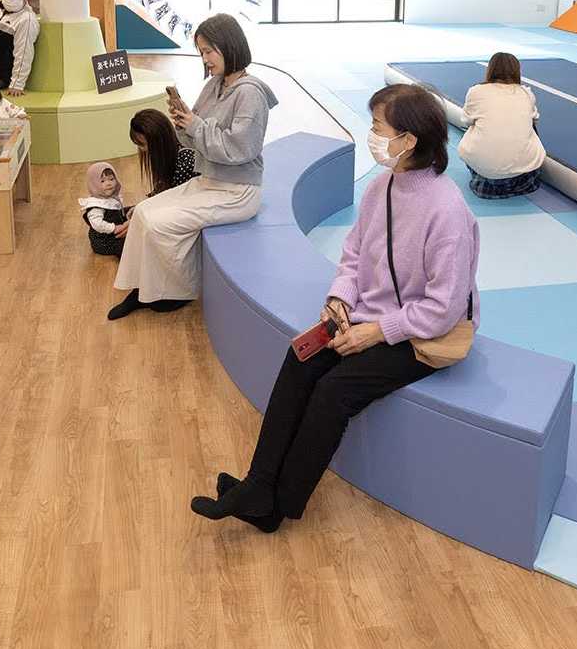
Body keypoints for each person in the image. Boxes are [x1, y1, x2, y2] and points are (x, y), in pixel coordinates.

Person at [191, 84, 479, 534]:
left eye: (378, 126)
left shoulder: (447, 212)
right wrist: (340, 299)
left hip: (423, 333)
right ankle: (259, 485)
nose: (372, 134)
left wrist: (376, 331)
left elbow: (443, 309)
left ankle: (281, 504)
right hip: (372, 316)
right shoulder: (382, 186)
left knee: (334, 391)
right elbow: (353, 254)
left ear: (409, 140)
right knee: (301, 356)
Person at [109, 13, 274, 321]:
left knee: (159, 224)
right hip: (210, 181)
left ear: (229, 46)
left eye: (209, 51)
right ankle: (141, 288)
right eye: (201, 52)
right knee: (143, 212)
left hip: (237, 191)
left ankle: (176, 292)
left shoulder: (251, 93)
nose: (205, 59)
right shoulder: (214, 85)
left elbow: (240, 149)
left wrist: (195, 125)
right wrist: (183, 121)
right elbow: (193, 139)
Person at [459, 52, 545, 199]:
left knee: (474, 125)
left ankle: (488, 168)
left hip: (485, 172)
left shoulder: (476, 91)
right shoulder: (526, 93)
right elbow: (535, 119)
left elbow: (465, 120)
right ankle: (515, 176)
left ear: (490, 70)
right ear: (517, 71)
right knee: (530, 125)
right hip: (523, 175)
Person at [130, 107, 196, 197]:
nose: (142, 149)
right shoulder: (164, 155)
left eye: (142, 144)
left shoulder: (185, 162)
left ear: (159, 141)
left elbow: (174, 197)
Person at [81, 162, 130, 256]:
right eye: (102, 181)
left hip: (115, 226)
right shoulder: (96, 205)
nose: (108, 184)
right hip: (105, 241)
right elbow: (97, 224)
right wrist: (113, 228)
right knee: (126, 245)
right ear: (94, 185)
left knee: (134, 209)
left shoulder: (111, 197)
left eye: (111, 179)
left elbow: (116, 210)